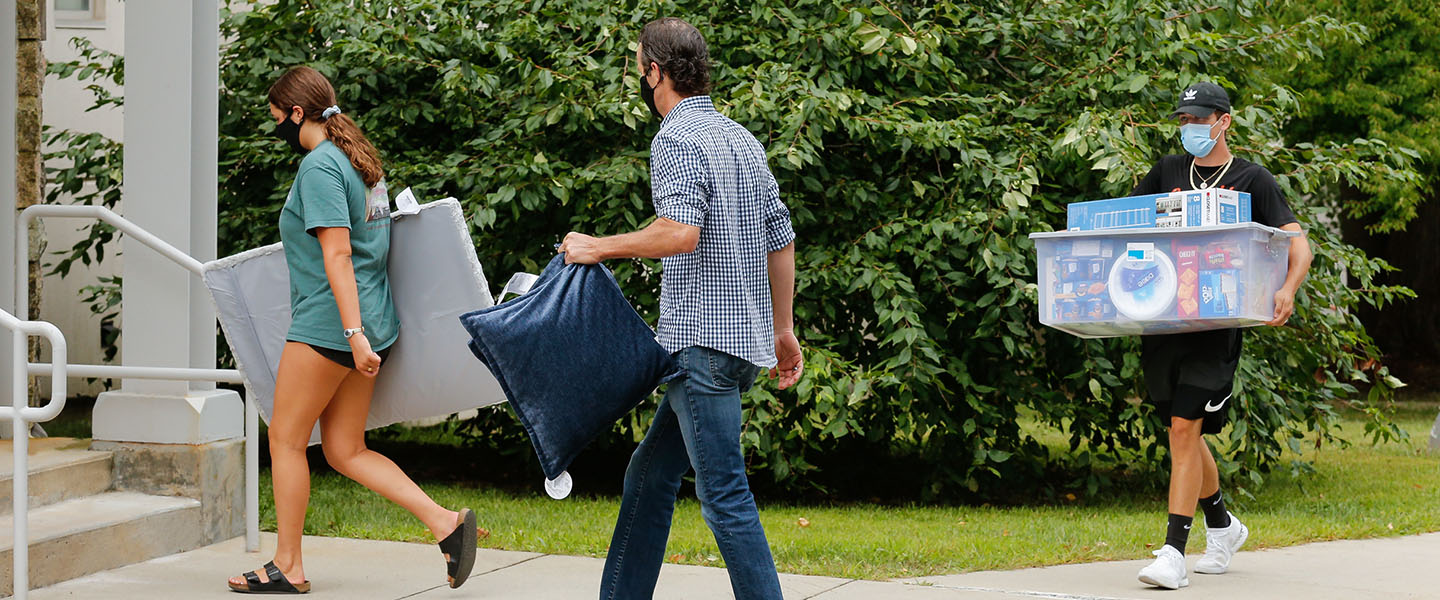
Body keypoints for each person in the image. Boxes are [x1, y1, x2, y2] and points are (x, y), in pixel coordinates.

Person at [557, 17, 802, 600]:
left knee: (724, 497)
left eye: (638, 64)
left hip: (703, 349)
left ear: (655, 71)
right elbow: (782, 239)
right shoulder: (740, 137)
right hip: (739, 346)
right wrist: (784, 329)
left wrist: (598, 247)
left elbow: (679, 233)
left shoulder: (674, 138)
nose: (638, 75)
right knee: (649, 474)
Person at [227, 66, 478, 594]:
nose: (278, 131)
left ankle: (287, 566)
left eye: (279, 120)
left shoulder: (320, 167)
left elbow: (338, 254)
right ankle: (445, 524)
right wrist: (366, 331)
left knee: (287, 441)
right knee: (344, 449)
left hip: (331, 327)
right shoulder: (360, 161)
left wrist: (352, 333)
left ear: (298, 114)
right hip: (372, 320)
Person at [1132, 82, 1313, 590]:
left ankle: (1173, 552)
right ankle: (1223, 525)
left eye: (1198, 118)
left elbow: (1300, 247)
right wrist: (1156, 211)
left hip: (1215, 326)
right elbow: (1127, 232)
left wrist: (1289, 289)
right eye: (1184, 120)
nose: (1190, 127)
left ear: (1223, 121)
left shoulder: (1253, 180)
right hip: (1163, 320)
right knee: (1179, 430)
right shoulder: (1167, 171)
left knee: (1185, 429)